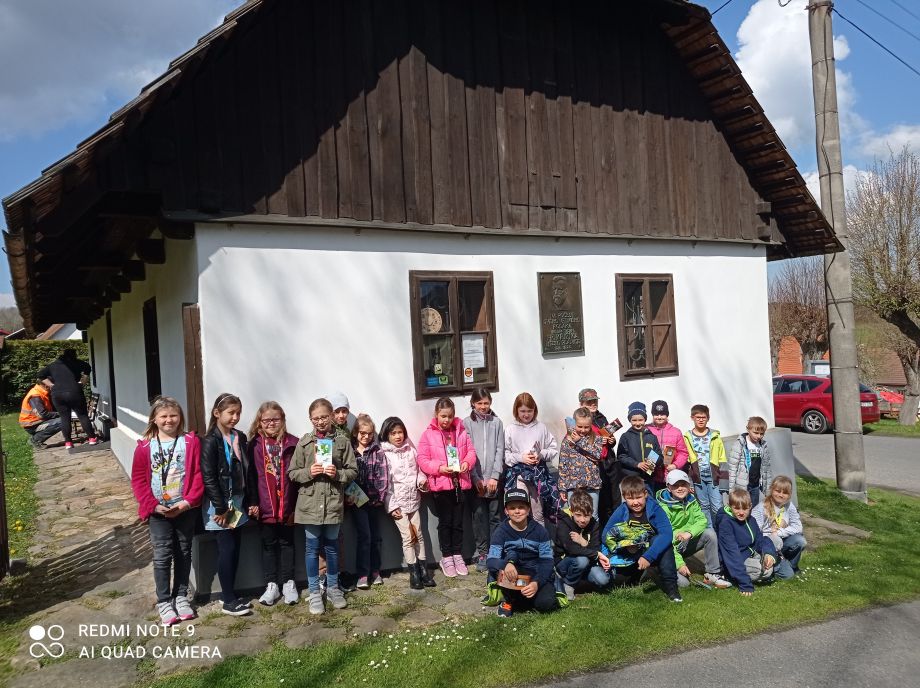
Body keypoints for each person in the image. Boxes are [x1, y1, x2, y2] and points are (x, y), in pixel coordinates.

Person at [130, 397, 204, 625]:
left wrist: (187, 502)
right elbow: (139, 480)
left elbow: (199, 474)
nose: (169, 420)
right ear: (154, 419)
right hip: (158, 512)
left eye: (173, 415)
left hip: (184, 509)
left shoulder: (190, 442)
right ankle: (164, 601)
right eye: (163, 416)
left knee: (183, 552)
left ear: (180, 417)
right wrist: (153, 505)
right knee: (162, 556)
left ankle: (180, 596)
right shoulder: (144, 447)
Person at [288, 398, 358, 614]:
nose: (320, 422)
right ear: (310, 419)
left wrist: (338, 474)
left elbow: (353, 471)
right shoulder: (304, 442)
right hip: (309, 505)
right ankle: (314, 593)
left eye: (324, 417)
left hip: (333, 503)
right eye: (315, 418)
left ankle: (334, 589)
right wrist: (310, 472)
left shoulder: (342, 442)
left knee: (332, 548)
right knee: (311, 549)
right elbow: (292, 473)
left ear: (331, 417)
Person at [200, 393, 257, 616]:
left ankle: (231, 594)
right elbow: (209, 476)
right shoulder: (210, 441)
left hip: (238, 503)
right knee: (227, 549)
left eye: (238, 413)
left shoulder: (239, 437)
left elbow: (248, 471)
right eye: (231, 413)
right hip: (220, 506)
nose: (235, 417)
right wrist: (221, 507)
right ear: (217, 413)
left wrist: (251, 500)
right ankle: (228, 600)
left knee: (236, 549)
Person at [417, 397, 478, 578]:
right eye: (443, 416)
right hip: (441, 486)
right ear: (436, 415)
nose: (446, 420)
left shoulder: (460, 431)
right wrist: (439, 468)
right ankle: (447, 556)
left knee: (458, 523)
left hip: (459, 484)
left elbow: (471, 452)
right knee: (445, 523)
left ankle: (458, 554)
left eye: (450, 416)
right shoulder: (428, 435)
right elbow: (422, 460)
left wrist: (467, 463)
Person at [598, 475, 682, 602]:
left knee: (664, 544)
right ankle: (645, 574)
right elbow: (605, 535)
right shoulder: (622, 510)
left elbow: (667, 534)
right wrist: (624, 546)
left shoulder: (655, 509)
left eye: (638, 497)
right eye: (630, 498)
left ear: (645, 494)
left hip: (652, 552)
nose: (635, 502)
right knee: (620, 583)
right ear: (624, 497)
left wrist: (648, 556)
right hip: (629, 553)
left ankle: (672, 589)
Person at [248, 401, 299, 606]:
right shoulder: (254, 445)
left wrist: (296, 507)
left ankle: (288, 583)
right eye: (266, 420)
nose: (271, 423)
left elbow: (297, 480)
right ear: (260, 422)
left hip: (287, 504)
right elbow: (250, 476)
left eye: (275, 419)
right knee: (268, 546)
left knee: (288, 544)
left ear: (283, 420)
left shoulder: (293, 443)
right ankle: (271, 585)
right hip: (265, 505)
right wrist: (252, 502)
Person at [485, 487, 559, 617]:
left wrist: (536, 583)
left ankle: (525, 597)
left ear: (528, 509)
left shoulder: (540, 531)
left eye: (521, 507)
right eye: (512, 508)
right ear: (506, 511)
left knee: (546, 604)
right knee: (503, 565)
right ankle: (508, 600)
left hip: (535, 572)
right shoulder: (500, 531)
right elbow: (491, 560)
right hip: (513, 571)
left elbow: (547, 561)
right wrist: (505, 565)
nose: (517, 511)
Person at [380, 416, 435, 589]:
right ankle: (414, 574)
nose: (398, 436)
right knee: (407, 538)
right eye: (393, 433)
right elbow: (385, 483)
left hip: (414, 500)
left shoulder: (411, 450)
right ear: (386, 434)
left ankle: (424, 571)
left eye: (400, 432)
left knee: (419, 535)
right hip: (398, 505)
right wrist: (391, 505)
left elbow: (419, 470)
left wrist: (421, 480)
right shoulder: (384, 454)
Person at [655, 470, 732, 590]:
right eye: (676, 485)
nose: (680, 488)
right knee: (684, 584)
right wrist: (680, 564)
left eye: (683, 484)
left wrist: (689, 533)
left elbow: (702, 520)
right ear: (669, 487)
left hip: (685, 542)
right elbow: (666, 541)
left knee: (710, 534)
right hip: (669, 549)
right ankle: (657, 570)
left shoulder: (691, 499)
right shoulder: (662, 508)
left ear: (688, 485)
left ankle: (713, 573)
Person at [504, 392, 560, 526]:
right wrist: (521, 457)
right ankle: (521, 543)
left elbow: (553, 449)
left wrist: (540, 454)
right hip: (518, 476)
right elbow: (506, 455)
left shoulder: (541, 427)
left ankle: (540, 544)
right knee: (520, 512)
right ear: (516, 410)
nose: (526, 414)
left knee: (538, 512)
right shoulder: (511, 429)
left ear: (534, 410)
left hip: (538, 475)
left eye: (529, 411)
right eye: (522, 411)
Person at [466, 388, 505, 572]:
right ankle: (482, 552)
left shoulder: (496, 423)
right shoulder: (467, 424)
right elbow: (468, 452)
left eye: (486, 403)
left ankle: (495, 551)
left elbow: (500, 450)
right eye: (479, 403)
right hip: (476, 480)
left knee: (495, 516)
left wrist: (495, 477)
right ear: (473, 403)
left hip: (493, 480)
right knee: (479, 516)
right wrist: (475, 478)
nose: (483, 406)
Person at [350, 414, 388, 589]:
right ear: (356, 433)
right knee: (364, 536)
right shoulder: (351, 451)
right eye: (362, 433)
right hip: (357, 501)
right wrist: (349, 496)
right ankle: (363, 573)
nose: (366, 437)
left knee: (376, 537)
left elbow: (383, 474)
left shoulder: (377, 451)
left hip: (374, 500)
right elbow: (347, 476)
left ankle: (376, 570)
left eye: (370, 434)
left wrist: (380, 497)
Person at [717, 488, 778, 595]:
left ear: (750, 506)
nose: (741, 512)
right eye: (736, 508)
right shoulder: (725, 524)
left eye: (745, 508)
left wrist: (769, 554)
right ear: (729, 506)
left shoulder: (751, 519)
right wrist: (745, 584)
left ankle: (774, 562)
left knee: (776, 541)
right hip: (736, 560)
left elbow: (761, 539)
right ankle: (730, 576)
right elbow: (733, 555)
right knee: (764, 570)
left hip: (751, 552)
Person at [553, 488, 610, 601]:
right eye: (578, 515)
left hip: (587, 561)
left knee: (603, 580)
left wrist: (583, 542)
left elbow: (595, 547)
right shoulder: (563, 522)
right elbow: (571, 548)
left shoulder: (594, 524)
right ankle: (568, 583)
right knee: (582, 560)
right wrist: (596, 554)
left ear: (591, 512)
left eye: (586, 515)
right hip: (564, 563)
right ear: (571, 510)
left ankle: (577, 578)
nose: (582, 520)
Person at [37, 348, 97, 450]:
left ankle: (68, 443)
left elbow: (40, 375)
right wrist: (83, 381)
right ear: (74, 355)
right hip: (75, 392)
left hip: (58, 394)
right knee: (82, 415)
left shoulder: (53, 365)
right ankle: (92, 438)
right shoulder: (77, 363)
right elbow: (88, 368)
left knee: (64, 418)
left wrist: (52, 385)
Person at [578, 388, 619, 525]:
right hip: (595, 465)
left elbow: (609, 437)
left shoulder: (602, 418)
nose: (593, 404)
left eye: (595, 401)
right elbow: (578, 444)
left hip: (610, 463)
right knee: (600, 502)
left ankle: (615, 527)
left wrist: (612, 441)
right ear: (581, 403)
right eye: (589, 402)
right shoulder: (579, 421)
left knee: (614, 499)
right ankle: (600, 532)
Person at [683, 404, 728, 528]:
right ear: (692, 418)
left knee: (718, 506)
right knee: (704, 505)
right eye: (698, 417)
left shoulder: (715, 436)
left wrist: (724, 482)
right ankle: (709, 531)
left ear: (708, 418)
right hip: (698, 478)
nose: (701, 420)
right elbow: (687, 462)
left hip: (714, 477)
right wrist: (690, 483)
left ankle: (722, 531)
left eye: (704, 417)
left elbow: (722, 458)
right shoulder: (687, 437)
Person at [752, 475, 806, 579]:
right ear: (771, 490)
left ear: (789, 495)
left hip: (781, 540)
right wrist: (771, 537)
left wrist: (779, 532)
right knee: (788, 576)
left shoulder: (789, 506)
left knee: (800, 540)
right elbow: (755, 532)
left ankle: (792, 565)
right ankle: (772, 565)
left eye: (785, 493)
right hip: (767, 544)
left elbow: (798, 527)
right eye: (778, 491)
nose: (781, 495)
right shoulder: (761, 508)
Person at [557, 408, 604, 520]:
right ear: (574, 424)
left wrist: (580, 441)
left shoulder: (596, 438)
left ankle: (592, 537)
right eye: (580, 426)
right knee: (573, 515)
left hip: (592, 485)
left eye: (586, 427)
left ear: (591, 425)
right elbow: (563, 464)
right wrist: (562, 488)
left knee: (592, 516)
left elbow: (597, 455)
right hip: (573, 485)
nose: (583, 430)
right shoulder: (567, 441)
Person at [727, 416, 774, 506]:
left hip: (755, 485)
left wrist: (768, 489)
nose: (758, 436)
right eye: (756, 433)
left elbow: (766, 468)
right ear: (748, 429)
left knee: (754, 508)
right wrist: (731, 490)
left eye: (761, 434)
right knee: (743, 508)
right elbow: (732, 468)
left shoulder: (763, 446)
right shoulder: (740, 444)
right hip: (742, 486)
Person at [616, 401, 663, 489]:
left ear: (645, 419)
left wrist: (652, 461)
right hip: (631, 479)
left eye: (640, 420)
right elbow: (621, 456)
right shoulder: (626, 436)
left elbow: (660, 456)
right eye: (634, 420)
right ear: (630, 420)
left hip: (648, 479)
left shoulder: (652, 437)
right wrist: (637, 464)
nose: (637, 423)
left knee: (648, 501)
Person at [646, 400, 689, 491]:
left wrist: (675, 465)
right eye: (656, 414)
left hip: (670, 474)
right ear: (652, 415)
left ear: (667, 415)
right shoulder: (646, 430)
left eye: (662, 414)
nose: (659, 417)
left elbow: (683, 453)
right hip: (651, 474)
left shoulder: (676, 432)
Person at [18, 378, 62, 449]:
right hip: (32, 425)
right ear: (46, 385)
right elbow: (43, 414)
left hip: (36, 422)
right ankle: (35, 440)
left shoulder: (41, 393)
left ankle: (37, 436)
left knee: (62, 419)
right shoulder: (35, 396)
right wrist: (60, 413)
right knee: (63, 422)